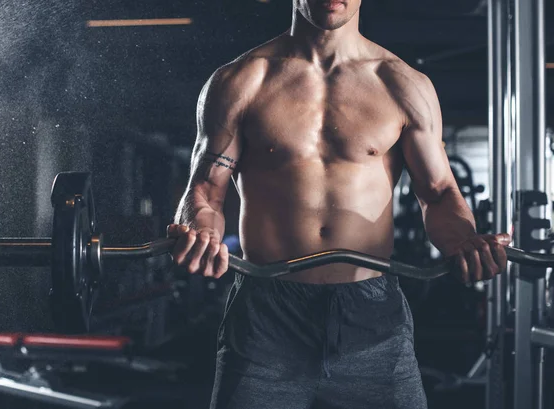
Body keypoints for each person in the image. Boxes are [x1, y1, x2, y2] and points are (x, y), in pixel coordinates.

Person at [168, 1, 511, 408]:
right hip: (267, 317)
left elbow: (438, 194)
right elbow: (206, 189)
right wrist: (201, 228)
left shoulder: (401, 84)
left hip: (372, 317)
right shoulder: (242, 81)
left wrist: (464, 241)